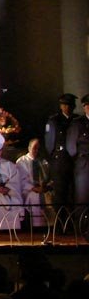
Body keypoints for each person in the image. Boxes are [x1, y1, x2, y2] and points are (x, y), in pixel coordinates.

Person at [45, 93, 79, 211]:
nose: (67, 107)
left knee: (74, 192)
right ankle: (61, 223)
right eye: (64, 105)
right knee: (60, 193)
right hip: (60, 160)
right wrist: (54, 159)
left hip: (75, 161)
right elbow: (49, 144)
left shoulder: (77, 119)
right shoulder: (54, 120)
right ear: (61, 106)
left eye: (70, 105)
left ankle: (73, 222)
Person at [16, 138, 55, 227]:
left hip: (43, 189)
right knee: (34, 197)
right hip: (28, 190)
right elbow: (21, 180)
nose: (36, 151)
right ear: (29, 148)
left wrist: (45, 187)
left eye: (38, 149)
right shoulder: (22, 162)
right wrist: (33, 188)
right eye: (34, 148)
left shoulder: (43, 162)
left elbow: (49, 177)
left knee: (49, 196)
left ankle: (49, 226)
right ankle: (36, 226)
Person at [66, 94, 89, 222]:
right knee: (83, 196)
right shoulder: (78, 123)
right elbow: (71, 147)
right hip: (84, 164)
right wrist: (80, 160)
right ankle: (82, 224)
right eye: (87, 106)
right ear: (84, 107)